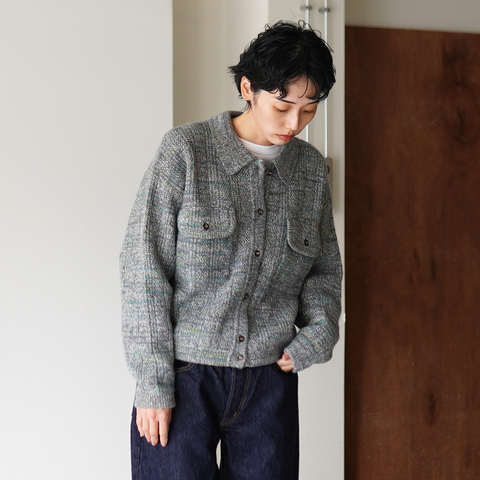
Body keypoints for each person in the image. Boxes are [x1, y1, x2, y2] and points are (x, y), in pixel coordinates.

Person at [120, 20, 342, 480]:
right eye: (282, 106)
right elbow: (144, 268)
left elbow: (324, 270)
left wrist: (319, 332)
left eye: (308, 109)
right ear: (247, 88)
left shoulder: (309, 171)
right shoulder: (185, 151)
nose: (294, 124)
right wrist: (153, 382)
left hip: (269, 383)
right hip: (185, 378)